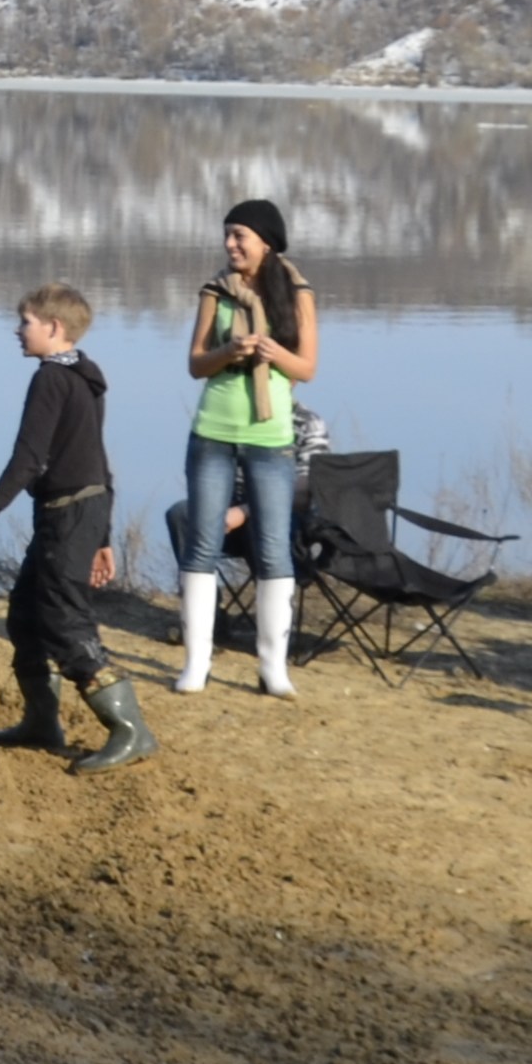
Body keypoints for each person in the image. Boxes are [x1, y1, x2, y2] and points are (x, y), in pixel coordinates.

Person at [0, 285, 149, 772]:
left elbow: (30, 456)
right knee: (26, 614)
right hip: (78, 511)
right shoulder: (84, 374)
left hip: (71, 514)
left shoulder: (51, 378)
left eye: (25, 322)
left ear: (54, 327)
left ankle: (130, 730)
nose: (17, 330)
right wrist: (103, 537)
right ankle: (41, 722)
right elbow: (97, 460)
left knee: (65, 620)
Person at [174, 198, 319, 698]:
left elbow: (307, 369)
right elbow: (196, 364)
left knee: (274, 549)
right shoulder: (215, 291)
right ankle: (196, 664)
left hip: (270, 438)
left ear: (266, 243)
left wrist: (274, 353)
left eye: (240, 236)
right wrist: (228, 351)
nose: (230, 244)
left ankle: (272, 668)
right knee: (201, 544)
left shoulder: (297, 294)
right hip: (212, 433)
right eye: (228, 235)